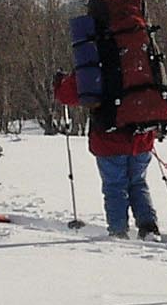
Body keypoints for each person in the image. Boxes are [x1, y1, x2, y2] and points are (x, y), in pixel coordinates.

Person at [53, 69, 160, 237]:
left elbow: (68, 95)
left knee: (115, 187)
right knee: (138, 183)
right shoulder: (140, 51)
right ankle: (149, 228)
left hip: (110, 139)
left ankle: (118, 232)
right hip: (141, 135)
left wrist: (60, 84)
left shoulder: (95, 56)